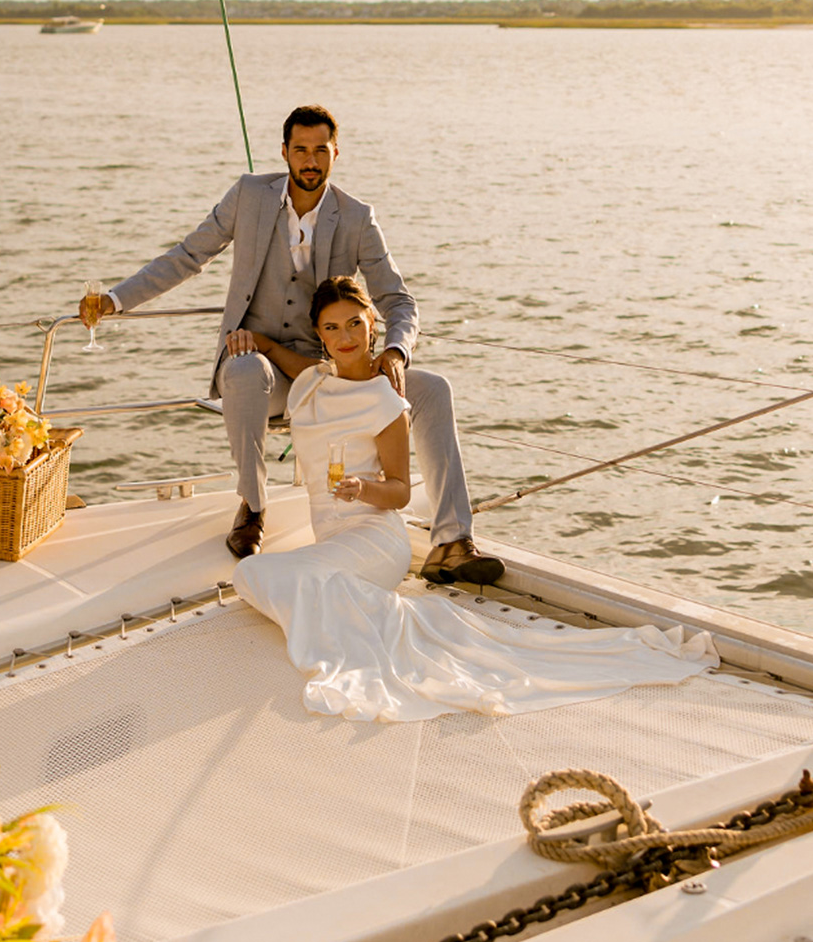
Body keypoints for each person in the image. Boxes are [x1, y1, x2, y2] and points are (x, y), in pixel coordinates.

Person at [229, 277, 718, 722]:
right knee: (260, 575)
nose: (346, 336)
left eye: (355, 323)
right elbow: (283, 357)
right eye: (332, 327)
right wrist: (261, 342)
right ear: (320, 334)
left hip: (374, 536)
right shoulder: (313, 380)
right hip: (331, 537)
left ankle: (360, 629)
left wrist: (364, 489)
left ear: (373, 324)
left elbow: (399, 491)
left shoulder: (385, 400)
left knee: (263, 573)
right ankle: (355, 617)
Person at [80, 104, 501, 584]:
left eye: (321, 151)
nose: (310, 161)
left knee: (434, 388)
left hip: (330, 372)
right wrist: (115, 299)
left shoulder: (358, 218)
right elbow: (188, 256)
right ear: (284, 152)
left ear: (335, 154)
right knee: (241, 370)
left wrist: (397, 351)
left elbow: (398, 300)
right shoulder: (248, 196)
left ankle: (452, 541)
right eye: (300, 150)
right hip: (261, 366)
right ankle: (253, 507)